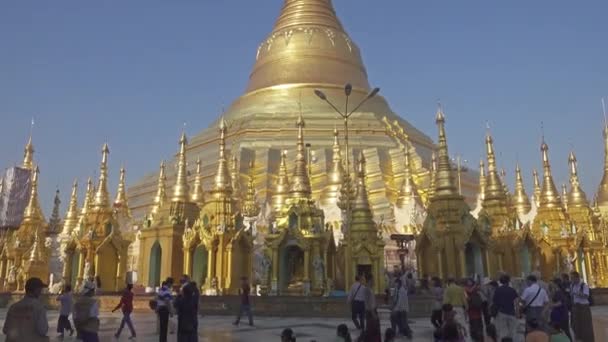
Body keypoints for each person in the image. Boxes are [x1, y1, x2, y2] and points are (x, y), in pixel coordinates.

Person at [3, 277, 49, 341]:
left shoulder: (13, 307)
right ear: (36, 290)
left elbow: (5, 330)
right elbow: (43, 330)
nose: (41, 292)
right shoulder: (39, 307)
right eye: (40, 289)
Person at [492, 274, 519, 341]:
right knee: (512, 331)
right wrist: (518, 312)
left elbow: (494, 301)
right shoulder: (512, 290)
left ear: (500, 281)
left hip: (501, 313)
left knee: (502, 331)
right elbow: (516, 302)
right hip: (511, 312)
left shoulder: (497, 290)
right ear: (508, 281)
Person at [569, 271, 594, 342]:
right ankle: (578, 338)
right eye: (571, 278)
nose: (571, 280)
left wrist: (577, 293)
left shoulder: (584, 285)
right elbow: (571, 295)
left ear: (577, 278)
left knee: (585, 324)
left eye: (572, 278)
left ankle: (587, 339)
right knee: (576, 324)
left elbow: (586, 296)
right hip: (575, 307)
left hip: (583, 307)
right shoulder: (572, 286)